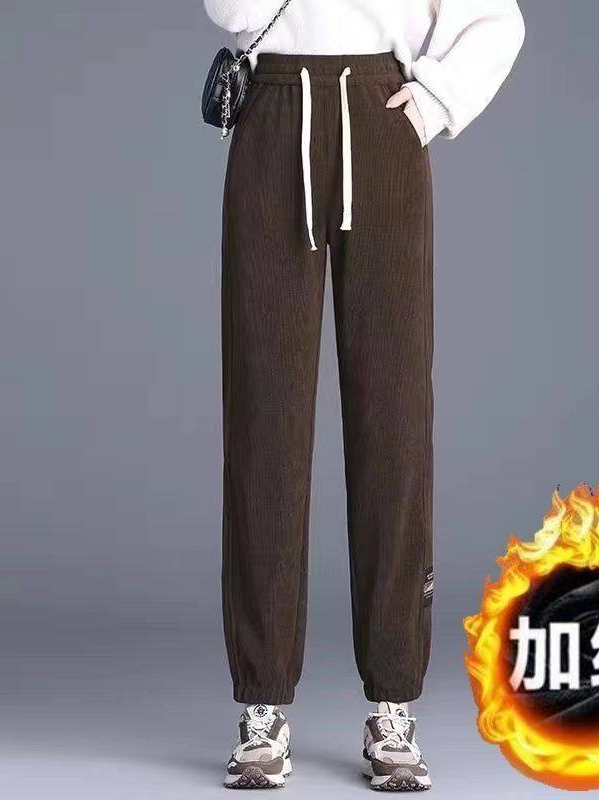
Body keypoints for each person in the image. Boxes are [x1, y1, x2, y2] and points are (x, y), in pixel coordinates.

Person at [204, 0, 524, 790]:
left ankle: (393, 703)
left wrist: (437, 99)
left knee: (395, 419)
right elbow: (229, 9)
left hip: (382, 124)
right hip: (273, 114)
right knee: (265, 421)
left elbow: (497, 20)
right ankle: (262, 704)